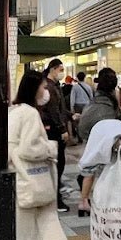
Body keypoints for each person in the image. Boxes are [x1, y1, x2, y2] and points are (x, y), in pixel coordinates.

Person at [9, 70, 77, 240]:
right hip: (34, 184)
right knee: (38, 239)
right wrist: (50, 148)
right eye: (43, 86)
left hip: (22, 182)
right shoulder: (29, 113)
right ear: (34, 88)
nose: (46, 91)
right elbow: (29, 148)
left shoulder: (16, 111)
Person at [77, 68, 121, 216]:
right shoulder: (111, 100)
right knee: (104, 170)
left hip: (89, 135)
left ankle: (83, 201)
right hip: (104, 137)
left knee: (89, 169)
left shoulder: (95, 99)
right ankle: (101, 202)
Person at [38, 58, 73, 211]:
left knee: (57, 164)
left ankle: (55, 195)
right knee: (57, 164)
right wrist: (62, 129)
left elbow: (60, 109)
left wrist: (70, 115)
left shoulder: (54, 86)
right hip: (53, 130)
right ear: (52, 69)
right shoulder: (50, 87)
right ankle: (55, 199)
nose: (62, 73)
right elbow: (54, 111)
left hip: (52, 129)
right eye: (60, 70)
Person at [70, 71, 94, 138]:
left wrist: (72, 107)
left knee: (78, 121)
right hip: (87, 105)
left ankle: (79, 136)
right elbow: (91, 98)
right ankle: (86, 135)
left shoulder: (75, 87)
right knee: (86, 120)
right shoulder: (88, 87)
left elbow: (72, 98)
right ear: (84, 78)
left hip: (77, 106)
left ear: (77, 78)